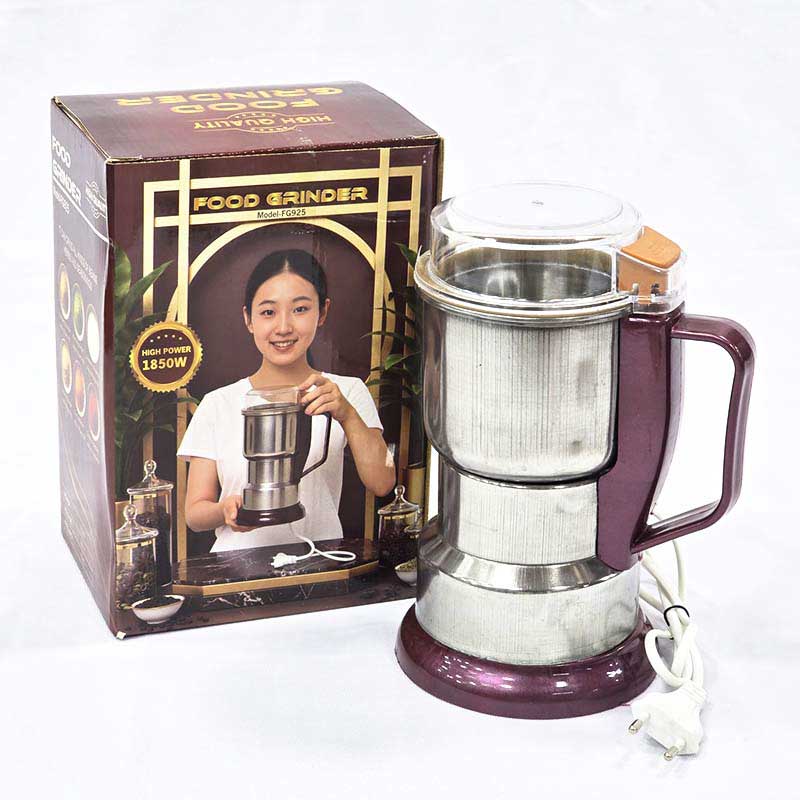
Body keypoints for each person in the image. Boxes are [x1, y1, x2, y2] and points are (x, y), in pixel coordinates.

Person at [177, 249, 395, 553]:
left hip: (319, 562)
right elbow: (195, 513)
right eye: (268, 312)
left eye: (300, 309)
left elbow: (383, 482)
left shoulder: (345, 391)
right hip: (235, 567)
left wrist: (346, 413)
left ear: (323, 312)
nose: (283, 327)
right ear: (248, 319)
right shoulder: (218, 403)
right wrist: (225, 510)